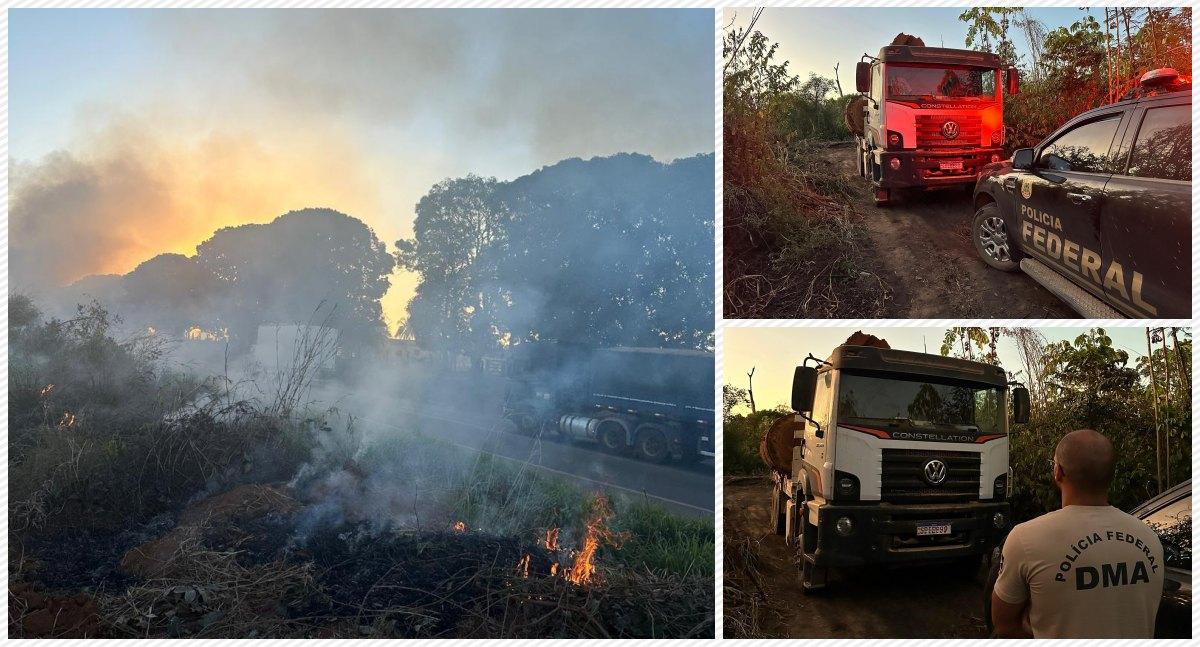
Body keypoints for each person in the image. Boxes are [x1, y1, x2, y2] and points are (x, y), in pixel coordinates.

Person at [991, 429, 1165, 638]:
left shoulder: (1025, 538)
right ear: (1111, 475)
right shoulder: (1149, 537)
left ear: (1059, 472)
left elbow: (1004, 625)